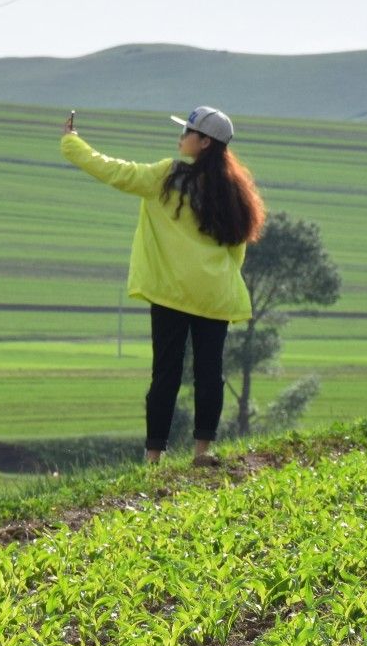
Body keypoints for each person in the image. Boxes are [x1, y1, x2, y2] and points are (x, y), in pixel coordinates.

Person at [61, 105, 265, 465]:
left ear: (204, 142)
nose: (182, 136)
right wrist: (214, 279)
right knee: (209, 374)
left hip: (171, 293)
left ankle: (154, 457)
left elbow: (115, 172)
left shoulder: (166, 176)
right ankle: (203, 451)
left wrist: (73, 144)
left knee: (165, 374)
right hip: (214, 295)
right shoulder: (234, 190)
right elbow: (237, 251)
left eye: (188, 131)